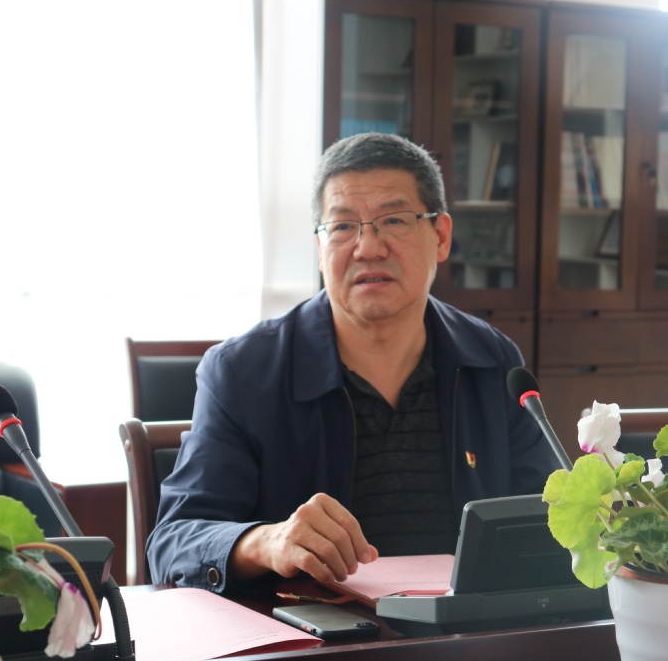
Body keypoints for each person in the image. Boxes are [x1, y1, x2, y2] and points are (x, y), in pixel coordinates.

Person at [146, 132, 557, 594]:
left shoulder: (493, 362)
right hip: (310, 628)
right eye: (343, 226)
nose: (368, 248)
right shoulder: (243, 373)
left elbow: (549, 518)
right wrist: (267, 541)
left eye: (394, 220)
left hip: (467, 625)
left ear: (441, 236)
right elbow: (173, 541)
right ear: (320, 248)